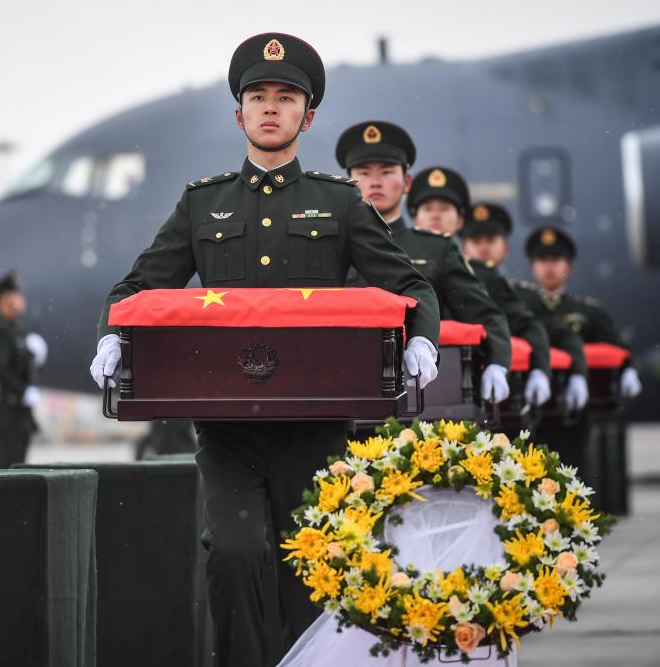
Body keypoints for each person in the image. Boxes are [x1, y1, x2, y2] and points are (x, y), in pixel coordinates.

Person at [90, 34, 440, 667]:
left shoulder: (339, 202)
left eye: (285, 97)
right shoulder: (204, 203)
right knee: (234, 552)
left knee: (311, 564)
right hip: (228, 425)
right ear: (239, 115)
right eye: (257, 96)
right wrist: (112, 335)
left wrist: (422, 339)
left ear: (308, 117)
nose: (270, 107)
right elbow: (137, 288)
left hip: (317, 421)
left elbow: (410, 286)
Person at [335, 123, 512, 404]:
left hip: (419, 391)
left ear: (407, 182)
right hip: (341, 384)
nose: (375, 182)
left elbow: (485, 314)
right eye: (364, 173)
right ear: (349, 182)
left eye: (387, 172)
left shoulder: (437, 249)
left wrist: (497, 364)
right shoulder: (331, 243)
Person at [515, 226, 641, 512]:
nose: (549, 267)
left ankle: (573, 519)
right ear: (533, 267)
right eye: (543, 260)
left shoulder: (587, 311)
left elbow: (616, 346)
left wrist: (627, 369)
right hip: (529, 402)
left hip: (571, 407)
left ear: (568, 266)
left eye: (555, 260)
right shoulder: (522, 308)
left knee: (571, 467)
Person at [453, 202, 554, 407]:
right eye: (475, 241)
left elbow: (530, 327)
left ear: (506, 247)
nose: (483, 247)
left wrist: (539, 370)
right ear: (463, 247)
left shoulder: (518, 293)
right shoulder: (451, 280)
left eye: (490, 240)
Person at [0, 270, 45, 469]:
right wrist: (23, 391)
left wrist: (34, 356)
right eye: (15, 295)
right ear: (3, 301)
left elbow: (22, 368)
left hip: (20, 417)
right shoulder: (0, 332)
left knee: (18, 472)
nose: (20, 299)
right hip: (7, 416)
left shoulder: (18, 329)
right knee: (6, 473)